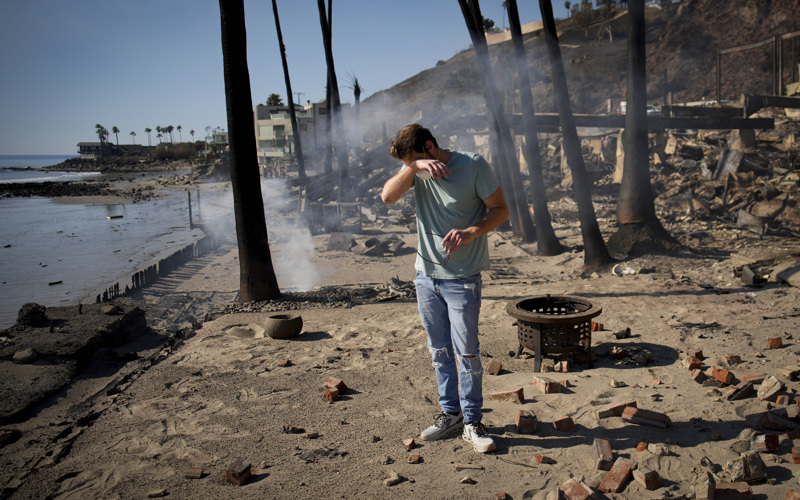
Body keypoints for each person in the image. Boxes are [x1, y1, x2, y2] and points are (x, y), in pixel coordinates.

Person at [381, 124, 509, 453]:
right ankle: (450, 415)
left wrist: (469, 231)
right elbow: (387, 196)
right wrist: (413, 167)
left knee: (466, 352)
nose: (411, 166)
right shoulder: (415, 170)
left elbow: (501, 210)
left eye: (416, 158)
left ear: (431, 147)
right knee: (439, 351)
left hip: (463, 278)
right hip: (425, 277)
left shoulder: (473, 165)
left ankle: (472, 422)